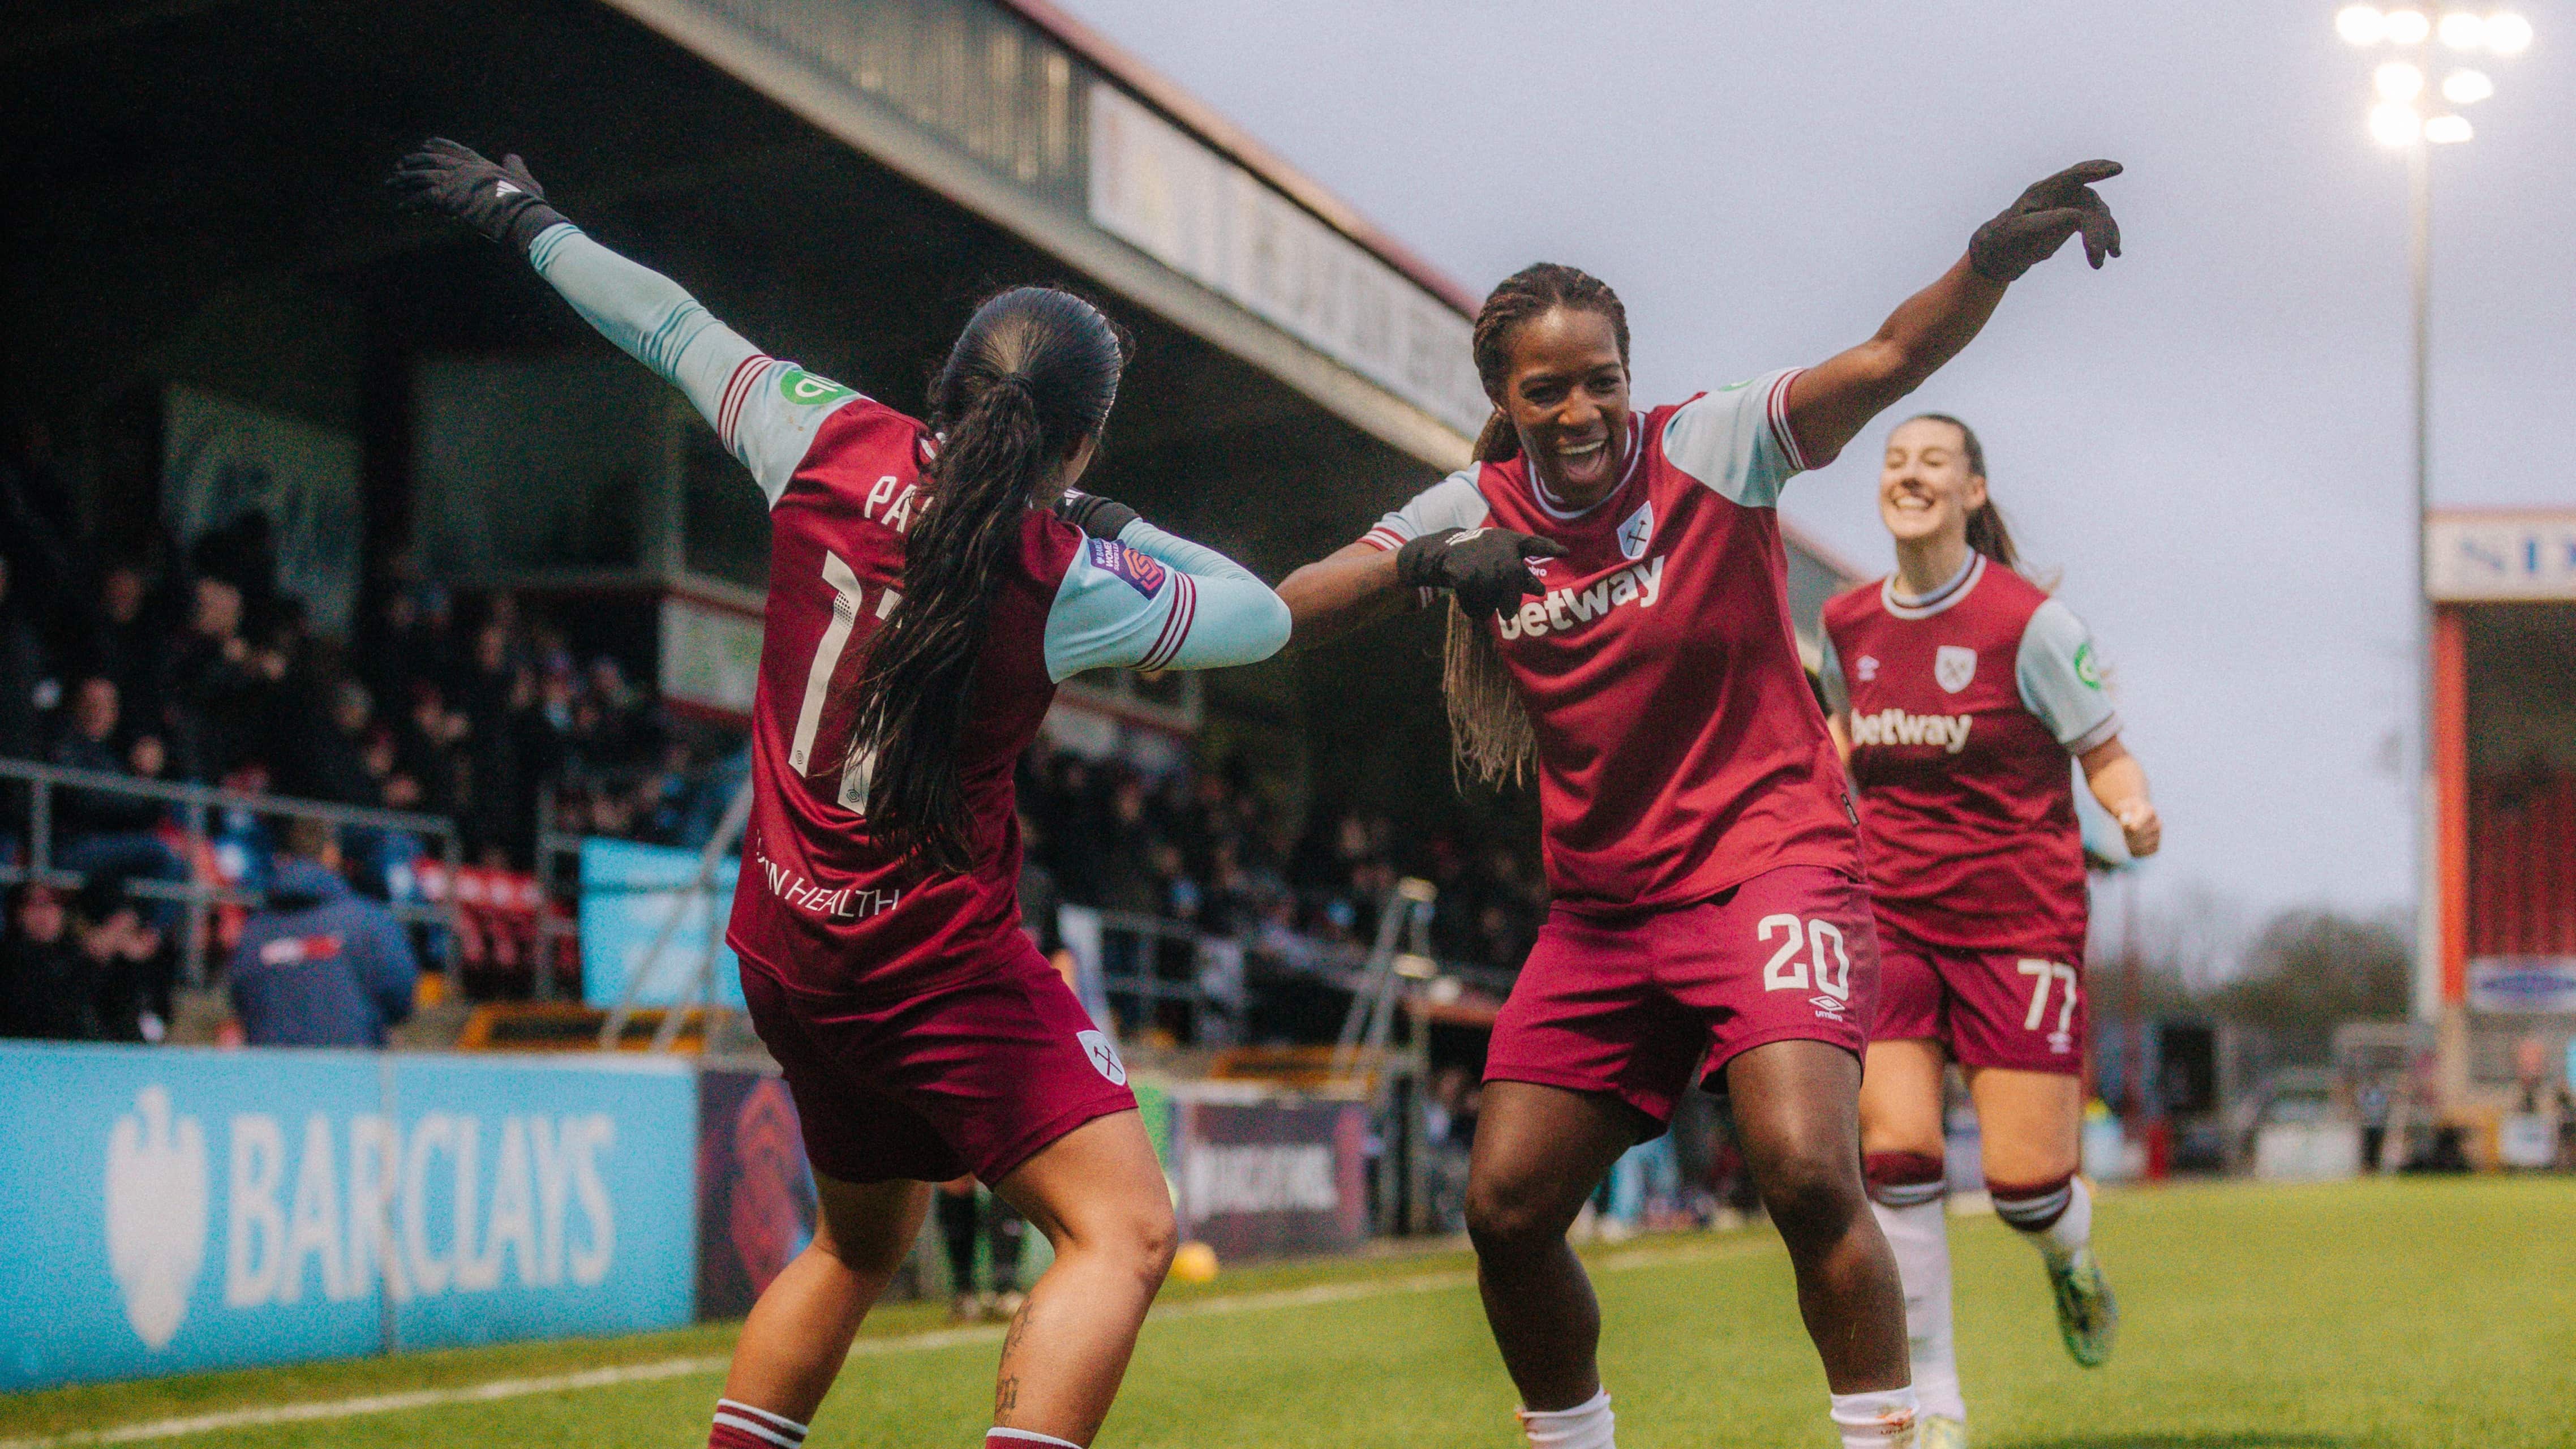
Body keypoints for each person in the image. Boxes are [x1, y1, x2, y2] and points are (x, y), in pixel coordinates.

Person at [392, 138, 1291, 1449]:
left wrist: (524, 214)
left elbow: (661, 319)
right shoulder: (1064, 576)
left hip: (786, 949)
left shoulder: (817, 433)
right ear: (1080, 439)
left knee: (857, 1243)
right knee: (1128, 1227)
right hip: (930, 965)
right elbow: (1260, 616)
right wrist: (1110, 516)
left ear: (942, 384)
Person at [1279, 162, 2127, 1449]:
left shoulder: (1713, 445)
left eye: (1599, 377)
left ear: (1630, 370)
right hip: (1606, 911)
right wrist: (1432, 566)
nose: (1579, 409)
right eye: (1545, 387)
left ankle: (1886, 1433)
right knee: (1505, 1205)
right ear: (1504, 398)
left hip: (1772, 867)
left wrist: (1989, 261)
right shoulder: (1474, 510)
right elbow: (1292, 604)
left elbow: (1894, 353)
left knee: (1799, 1164)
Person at [1817, 414, 2160, 1447]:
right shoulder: (1846, 622)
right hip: (1890, 922)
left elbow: (2104, 751)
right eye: (1893, 462)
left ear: (1972, 492)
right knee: (1898, 1157)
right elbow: (1842, 744)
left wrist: (2131, 808)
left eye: (1932, 462)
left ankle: (2069, 1251)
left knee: (2021, 1189)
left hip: (2019, 924)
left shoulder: (2031, 624)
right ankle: (1934, 1408)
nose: (1907, 475)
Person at [227, 817, 420, 1048]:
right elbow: (401, 998)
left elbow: (240, 997)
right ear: (331, 853)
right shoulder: (369, 922)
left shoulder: (256, 930)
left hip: (276, 1075)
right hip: (352, 1073)